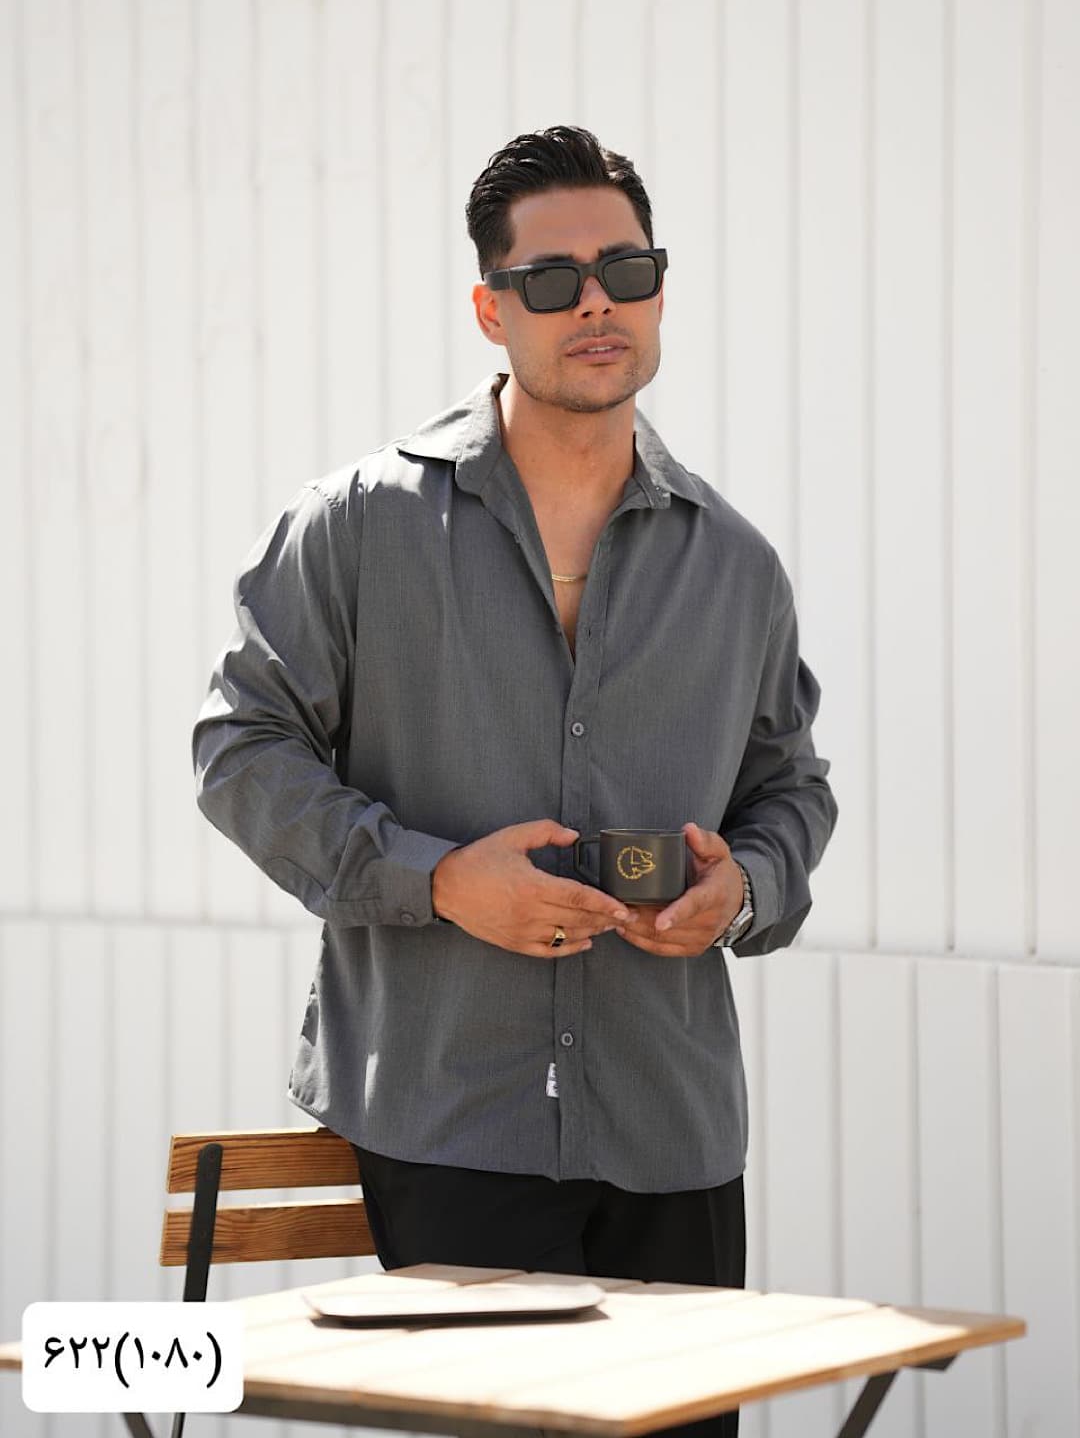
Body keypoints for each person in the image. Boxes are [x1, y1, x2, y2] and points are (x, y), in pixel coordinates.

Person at [192, 125, 837, 1438]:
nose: (595, 302)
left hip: (672, 1134)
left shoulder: (737, 566)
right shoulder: (358, 525)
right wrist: (438, 881)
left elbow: (791, 790)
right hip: (449, 1124)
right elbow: (240, 749)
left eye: (626, 270)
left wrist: (744, 889)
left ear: (660, 290)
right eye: (551, 280)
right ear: (492, 309)